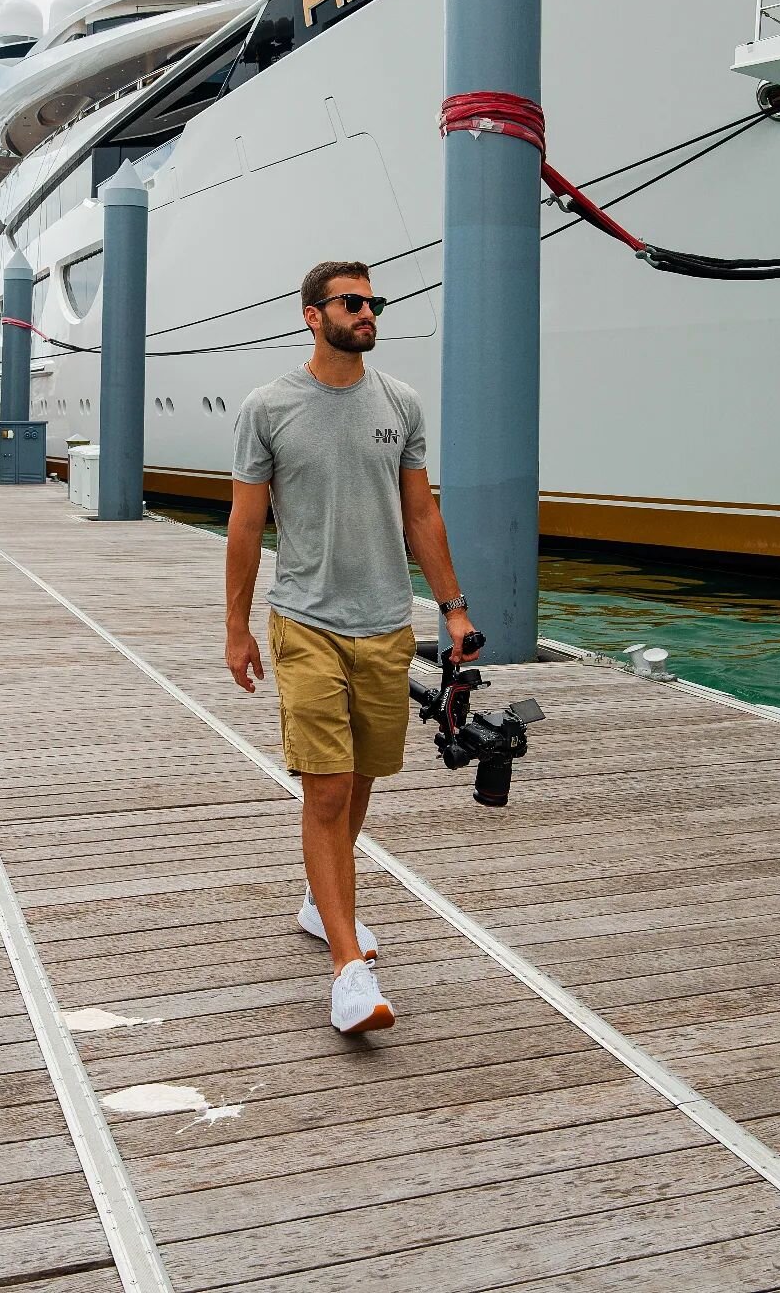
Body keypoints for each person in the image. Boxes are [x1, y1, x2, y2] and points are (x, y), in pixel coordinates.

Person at [225, 260, 479, 1036]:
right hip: (306, 621)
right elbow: (244, 527)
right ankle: (347, 968)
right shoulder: (268, 407)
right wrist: (235, 627)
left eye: (373, 302)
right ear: (312, 315)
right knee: (327, 790)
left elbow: (421, 515)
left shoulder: (398, 403)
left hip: (386, 625)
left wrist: (454, 609)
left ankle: (317, 900)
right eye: (351, 302)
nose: (368, 312)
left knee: (363, 778)